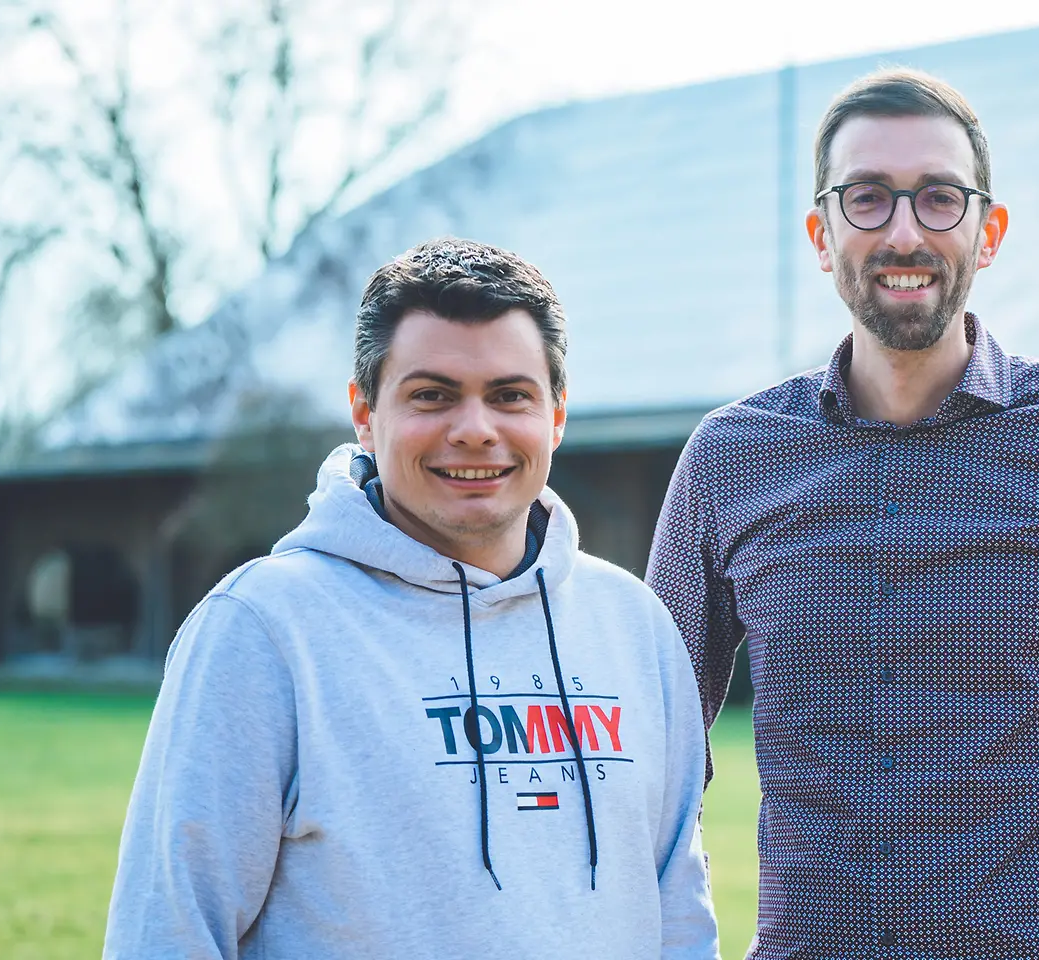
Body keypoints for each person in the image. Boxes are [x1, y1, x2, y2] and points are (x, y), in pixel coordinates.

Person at [646, 68, 1039, 960]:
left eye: (939, 198)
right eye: (867, 199)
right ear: (822, 236)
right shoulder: (731, 458)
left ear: (989, 232)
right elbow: (642, 765)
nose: (904, 231)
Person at [105, 237, 719, 959]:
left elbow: (678, 908)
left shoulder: (634, 625)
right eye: (431, 395)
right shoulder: (264, 628)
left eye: (509, 395)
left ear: (556, 413)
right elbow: (168, 929)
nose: (474, 430)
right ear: (364, 412)